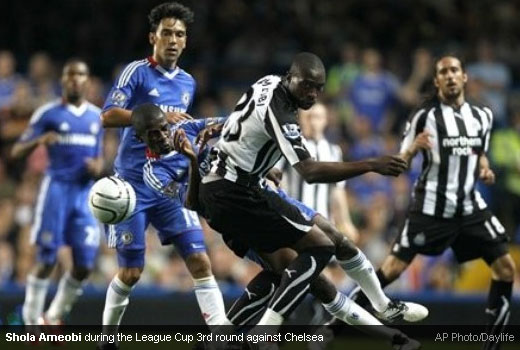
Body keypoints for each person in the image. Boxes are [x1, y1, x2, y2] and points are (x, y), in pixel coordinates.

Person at [198, 52, 409, 332]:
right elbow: (309, 172)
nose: (311, 94)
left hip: (235, 186)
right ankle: (266, 331)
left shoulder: (268, 82)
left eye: (318, 88)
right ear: (290, 77)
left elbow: (245, 120)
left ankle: (382, 305)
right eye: (306, 85)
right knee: (321, 247)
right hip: (236, 193)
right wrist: (372, 164)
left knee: (316, 249)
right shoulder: (283, 112)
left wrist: (228, 134)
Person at [165, 123, 421, 350]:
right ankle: (391, 335)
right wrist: (191, 161)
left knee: (337, 240)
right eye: (153, 136)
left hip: (273, 199)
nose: (161, 137)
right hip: (243, 217)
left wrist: (261, 168)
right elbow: (195, 204)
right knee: (320, 283)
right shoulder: (157, 174)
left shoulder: (190, 129)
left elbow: (236, 132)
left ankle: (385, 311)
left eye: (162, 130)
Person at [350, 55, 516, 350]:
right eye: (444, 72)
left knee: (505, 268)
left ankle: (493, 344)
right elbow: (399, 162)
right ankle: (331, 327)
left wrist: (484, 167)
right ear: (437, 80)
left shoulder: (483, 116)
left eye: (455, 70)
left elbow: (478, 151)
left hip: (469, 206)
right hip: (430, 207)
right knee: (390, 270)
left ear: (464, 77)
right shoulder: (423, 117)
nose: (450, 76)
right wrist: (413, 148)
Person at [98, 1, 230, 339]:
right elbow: (108, 115)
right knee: (131, 272)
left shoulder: (188, 82)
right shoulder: (136, 72)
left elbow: (178, 130)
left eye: (180, 35)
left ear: (186, 42)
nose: (173, 39)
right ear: (152, 37)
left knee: (200, 261)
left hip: (169, 182)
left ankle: (222, 334)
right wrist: (155, 114)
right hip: (132, 185)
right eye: (167, 33)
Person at [12, 59, 104, 325]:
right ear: (63, 80)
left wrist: (97, 166)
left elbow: (98, 159)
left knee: (84, 265)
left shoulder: (97, 116)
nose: (75, 79)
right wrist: (40, 140)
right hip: (56, 191)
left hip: (84, 195)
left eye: (80, 75)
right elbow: (17, 150)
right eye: (70, 75)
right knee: (47, 259)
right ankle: (31, 322)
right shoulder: (47, 114)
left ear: (87, 81)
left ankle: (52, 318)